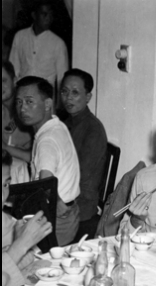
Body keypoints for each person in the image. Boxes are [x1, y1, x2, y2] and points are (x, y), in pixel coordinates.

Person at [16, 76, 80, 246]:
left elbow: (46, 182)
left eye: (30, 102)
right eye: (19, 102)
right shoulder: (56, 125)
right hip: (70, 211)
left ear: (47, 104)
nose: (23, 108)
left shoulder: (47, 140)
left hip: (57, 219)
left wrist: (58, 205)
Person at [60, 69, 107, 238]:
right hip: (66, 197)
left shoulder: (93, 129)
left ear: (88, 97)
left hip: (80, 207)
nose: (68, 97)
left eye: (75, 92)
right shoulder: (67, 123)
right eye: (64, 91)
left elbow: (80, 175)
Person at [2, 149, 52, 286]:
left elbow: (29, 256)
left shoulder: (6, 221)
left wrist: (21, 246)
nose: (2, 195)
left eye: (5, 185)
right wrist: (20, 246)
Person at [8, 1, 68, 92]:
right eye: (44, 14)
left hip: (45, 96)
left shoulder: (58, 43)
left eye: (51, 15)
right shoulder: (20, 37)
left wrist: (58, 104)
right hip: (23, 92)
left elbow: (62, 79)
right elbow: (13, 69)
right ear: (34, 15)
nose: (49, 18)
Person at [2, 60, 31, 183]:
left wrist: (5, 148)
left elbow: (33, 156)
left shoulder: (28, 110)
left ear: (14, 81)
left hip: (28, 177)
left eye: (3, 81)